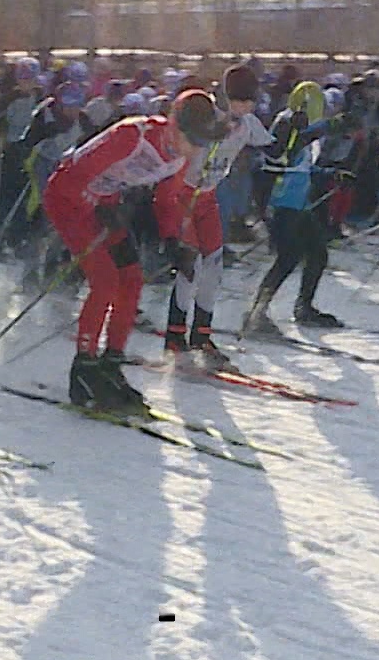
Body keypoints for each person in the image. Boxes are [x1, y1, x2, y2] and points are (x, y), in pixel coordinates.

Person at [44, 88, 225, 415]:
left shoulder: (179, 158)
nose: (197, 149)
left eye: (203, 142)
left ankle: (111, 363)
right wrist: (93, 205)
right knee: (105, 281)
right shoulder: (132, 135)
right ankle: (83, 367)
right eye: (194, 139)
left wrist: (173, 242)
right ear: (174, 125)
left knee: (132, 279)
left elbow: (167, 201)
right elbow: (76, 172)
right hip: (69, 200)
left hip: (104, 205)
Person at [157, 64, 269, 368]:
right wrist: (212, 132)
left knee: (214, 265)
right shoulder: (206, 114)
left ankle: (202, 334)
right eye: (240, 100)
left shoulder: (247, 124)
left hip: (207, 198)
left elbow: (275, 146)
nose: (246, 107)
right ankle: (175, 335)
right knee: (189, 265)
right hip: (184, 194)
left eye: (250, 101)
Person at [244, 82, 344, 337]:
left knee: (318, 254)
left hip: (298, 203)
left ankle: (304, 307)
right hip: (280, 204)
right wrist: (318, 131)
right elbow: (281, 156)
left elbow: (301, 166)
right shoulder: (287, 123)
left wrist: (330, 174)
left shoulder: (304, 126)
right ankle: (256, 312)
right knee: (287, 258)